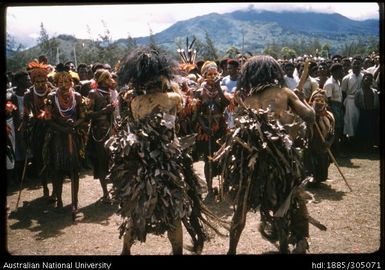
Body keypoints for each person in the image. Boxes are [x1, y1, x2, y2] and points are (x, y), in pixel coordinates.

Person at [109, 46, 226, 255]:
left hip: (143, 163)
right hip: (168, 162)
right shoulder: (172, 98)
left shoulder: (134, 101)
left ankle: (125, 250)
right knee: (173, 214)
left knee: (137, 212)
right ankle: (176, 252)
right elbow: (180, 103)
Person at [218, 55, 316, 254]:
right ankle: (286, 247)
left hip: (250, 161)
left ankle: (231, 251)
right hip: (279, 160)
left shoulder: (247, 98)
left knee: (241, 208)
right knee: (287, 200)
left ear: (249, 76)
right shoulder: (285, 92)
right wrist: (303, 100)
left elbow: (238, 127)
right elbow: (310, 117)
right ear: (274, 73)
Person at [44, 63, 87, 212]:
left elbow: (83, 116)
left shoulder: (78, 96)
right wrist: (62, 128)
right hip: (57, 138)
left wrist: (74, 125)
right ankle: (60, 200)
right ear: (55, 83)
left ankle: (74, 202)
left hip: (73, 137)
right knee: (57, 169)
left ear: (72, 81)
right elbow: (48, 119)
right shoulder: (50, 97)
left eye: (67, 81)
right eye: (60, 82)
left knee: (74, 169)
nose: (63, 84)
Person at [194, 61, 230, 200]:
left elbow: (226, 104)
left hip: (220, 128)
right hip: (205, 130)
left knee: (223, 157)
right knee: (208, 160)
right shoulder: (199, 91)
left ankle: (223, 188)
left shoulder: (222, 88)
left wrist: (218, 88)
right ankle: (209, 189)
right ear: (204, 76)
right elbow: (196, 115)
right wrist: (204, 127)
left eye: (215, 74)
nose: (213, 76)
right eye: (209, 74)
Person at [86, 68, 119, 201]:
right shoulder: (93, 94)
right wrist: (103, 111)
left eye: (110, 77)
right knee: (102, 162)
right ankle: (105, 193)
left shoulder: (111, 93)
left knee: (115, 161)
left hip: (111, 130)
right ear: (101, 80)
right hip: (99, 132)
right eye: (107, 78)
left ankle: (115, 191)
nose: (110, 80)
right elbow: (87, 114)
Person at [23, 60, 54, 197]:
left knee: (53, 157)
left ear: (46, 80)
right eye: (38, 82)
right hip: (37, 128)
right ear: (33, 82)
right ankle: (45, 187)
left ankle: (55, 188)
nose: (41, 84)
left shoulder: (52, 91)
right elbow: (25, 113)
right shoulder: (28, 94)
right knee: (40, 158)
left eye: (43, 81)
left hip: (53, 126)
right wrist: (25, 128)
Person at [304, 89, 335, 186]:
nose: (319, 104)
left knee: (322, 168)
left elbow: (333, 133)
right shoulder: (306, 115)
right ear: (312, 101)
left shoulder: (329, 116)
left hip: (322, 146)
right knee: (309, 161)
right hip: (309, 145)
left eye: (322, 101)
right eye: (316, 101)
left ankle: (318, 178)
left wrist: (329, 142)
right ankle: (309, 178)